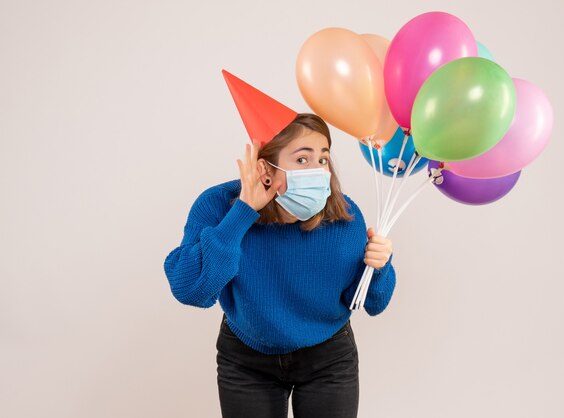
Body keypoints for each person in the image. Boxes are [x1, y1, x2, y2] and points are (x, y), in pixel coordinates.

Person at [164, 72, 396, 418]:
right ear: (266, 170)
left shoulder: (344, 215)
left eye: (322, 158)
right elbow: (190, 290)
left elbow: (373, 303)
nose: (318, 170)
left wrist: (379, 268)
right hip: (247, 358)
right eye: (302, 159)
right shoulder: (217, 206)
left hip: (327, 357)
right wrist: (242, 213)